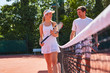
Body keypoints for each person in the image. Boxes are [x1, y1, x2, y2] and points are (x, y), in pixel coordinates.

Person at [70, 6, 99, 73]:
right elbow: (72, 33)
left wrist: (96, 42)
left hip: (88, 42)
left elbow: (95, 33)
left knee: (87, 60)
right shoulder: (75, 21)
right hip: (78, 42)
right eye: (77, 12)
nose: (78, 14)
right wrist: (71, 43)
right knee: (78, 59)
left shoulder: (91, 21)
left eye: (79, 12)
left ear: (84, 12)